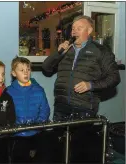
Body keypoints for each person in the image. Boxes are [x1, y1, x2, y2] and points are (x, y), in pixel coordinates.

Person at [42, 15, 121, 163]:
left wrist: (90, 85)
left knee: (80, 150)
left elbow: (114, 78)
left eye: (79, 28)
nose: (74, 31)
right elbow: (46, 68)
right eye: (73, 28)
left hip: (84, 107)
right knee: (59, 148)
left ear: (89, 30)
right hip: (61, 106)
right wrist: (58, 53)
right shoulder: (66, 49)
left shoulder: (101, 51)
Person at [6, 57, 51, 163]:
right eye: (22, 70)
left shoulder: (38, 90)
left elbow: (45, 109)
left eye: (28, 70)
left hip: (36, 133)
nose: (26, 73)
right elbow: (6, 113)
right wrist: (14, 125)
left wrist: (38, 124)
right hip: (17, 136)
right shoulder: (8, 92)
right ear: (13, 73)